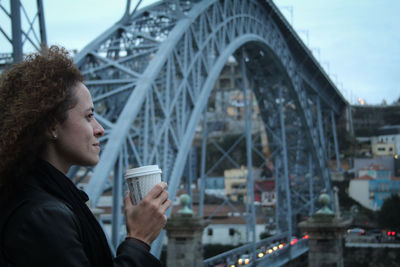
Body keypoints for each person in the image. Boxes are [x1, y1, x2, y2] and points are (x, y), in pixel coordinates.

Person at [0, 46, 172, 266]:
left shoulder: (32, 197)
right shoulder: (43, 216)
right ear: (52, 124)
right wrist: (139, 239)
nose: (100, 129)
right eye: (89, 116)